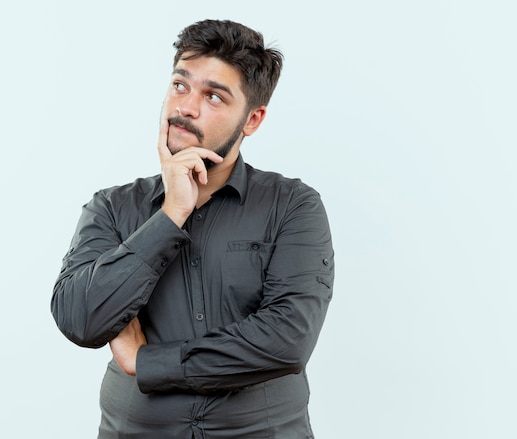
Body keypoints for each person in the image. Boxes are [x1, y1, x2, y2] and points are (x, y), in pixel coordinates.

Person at [51, 19, 334, 439]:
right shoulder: (112, 207)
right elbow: (79, 319)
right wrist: (170, 215)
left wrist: (144, 361)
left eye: (213, 96)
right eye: (180, 86)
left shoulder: (293, 206)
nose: (185, 107)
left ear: (252, 119)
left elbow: (286, 339)